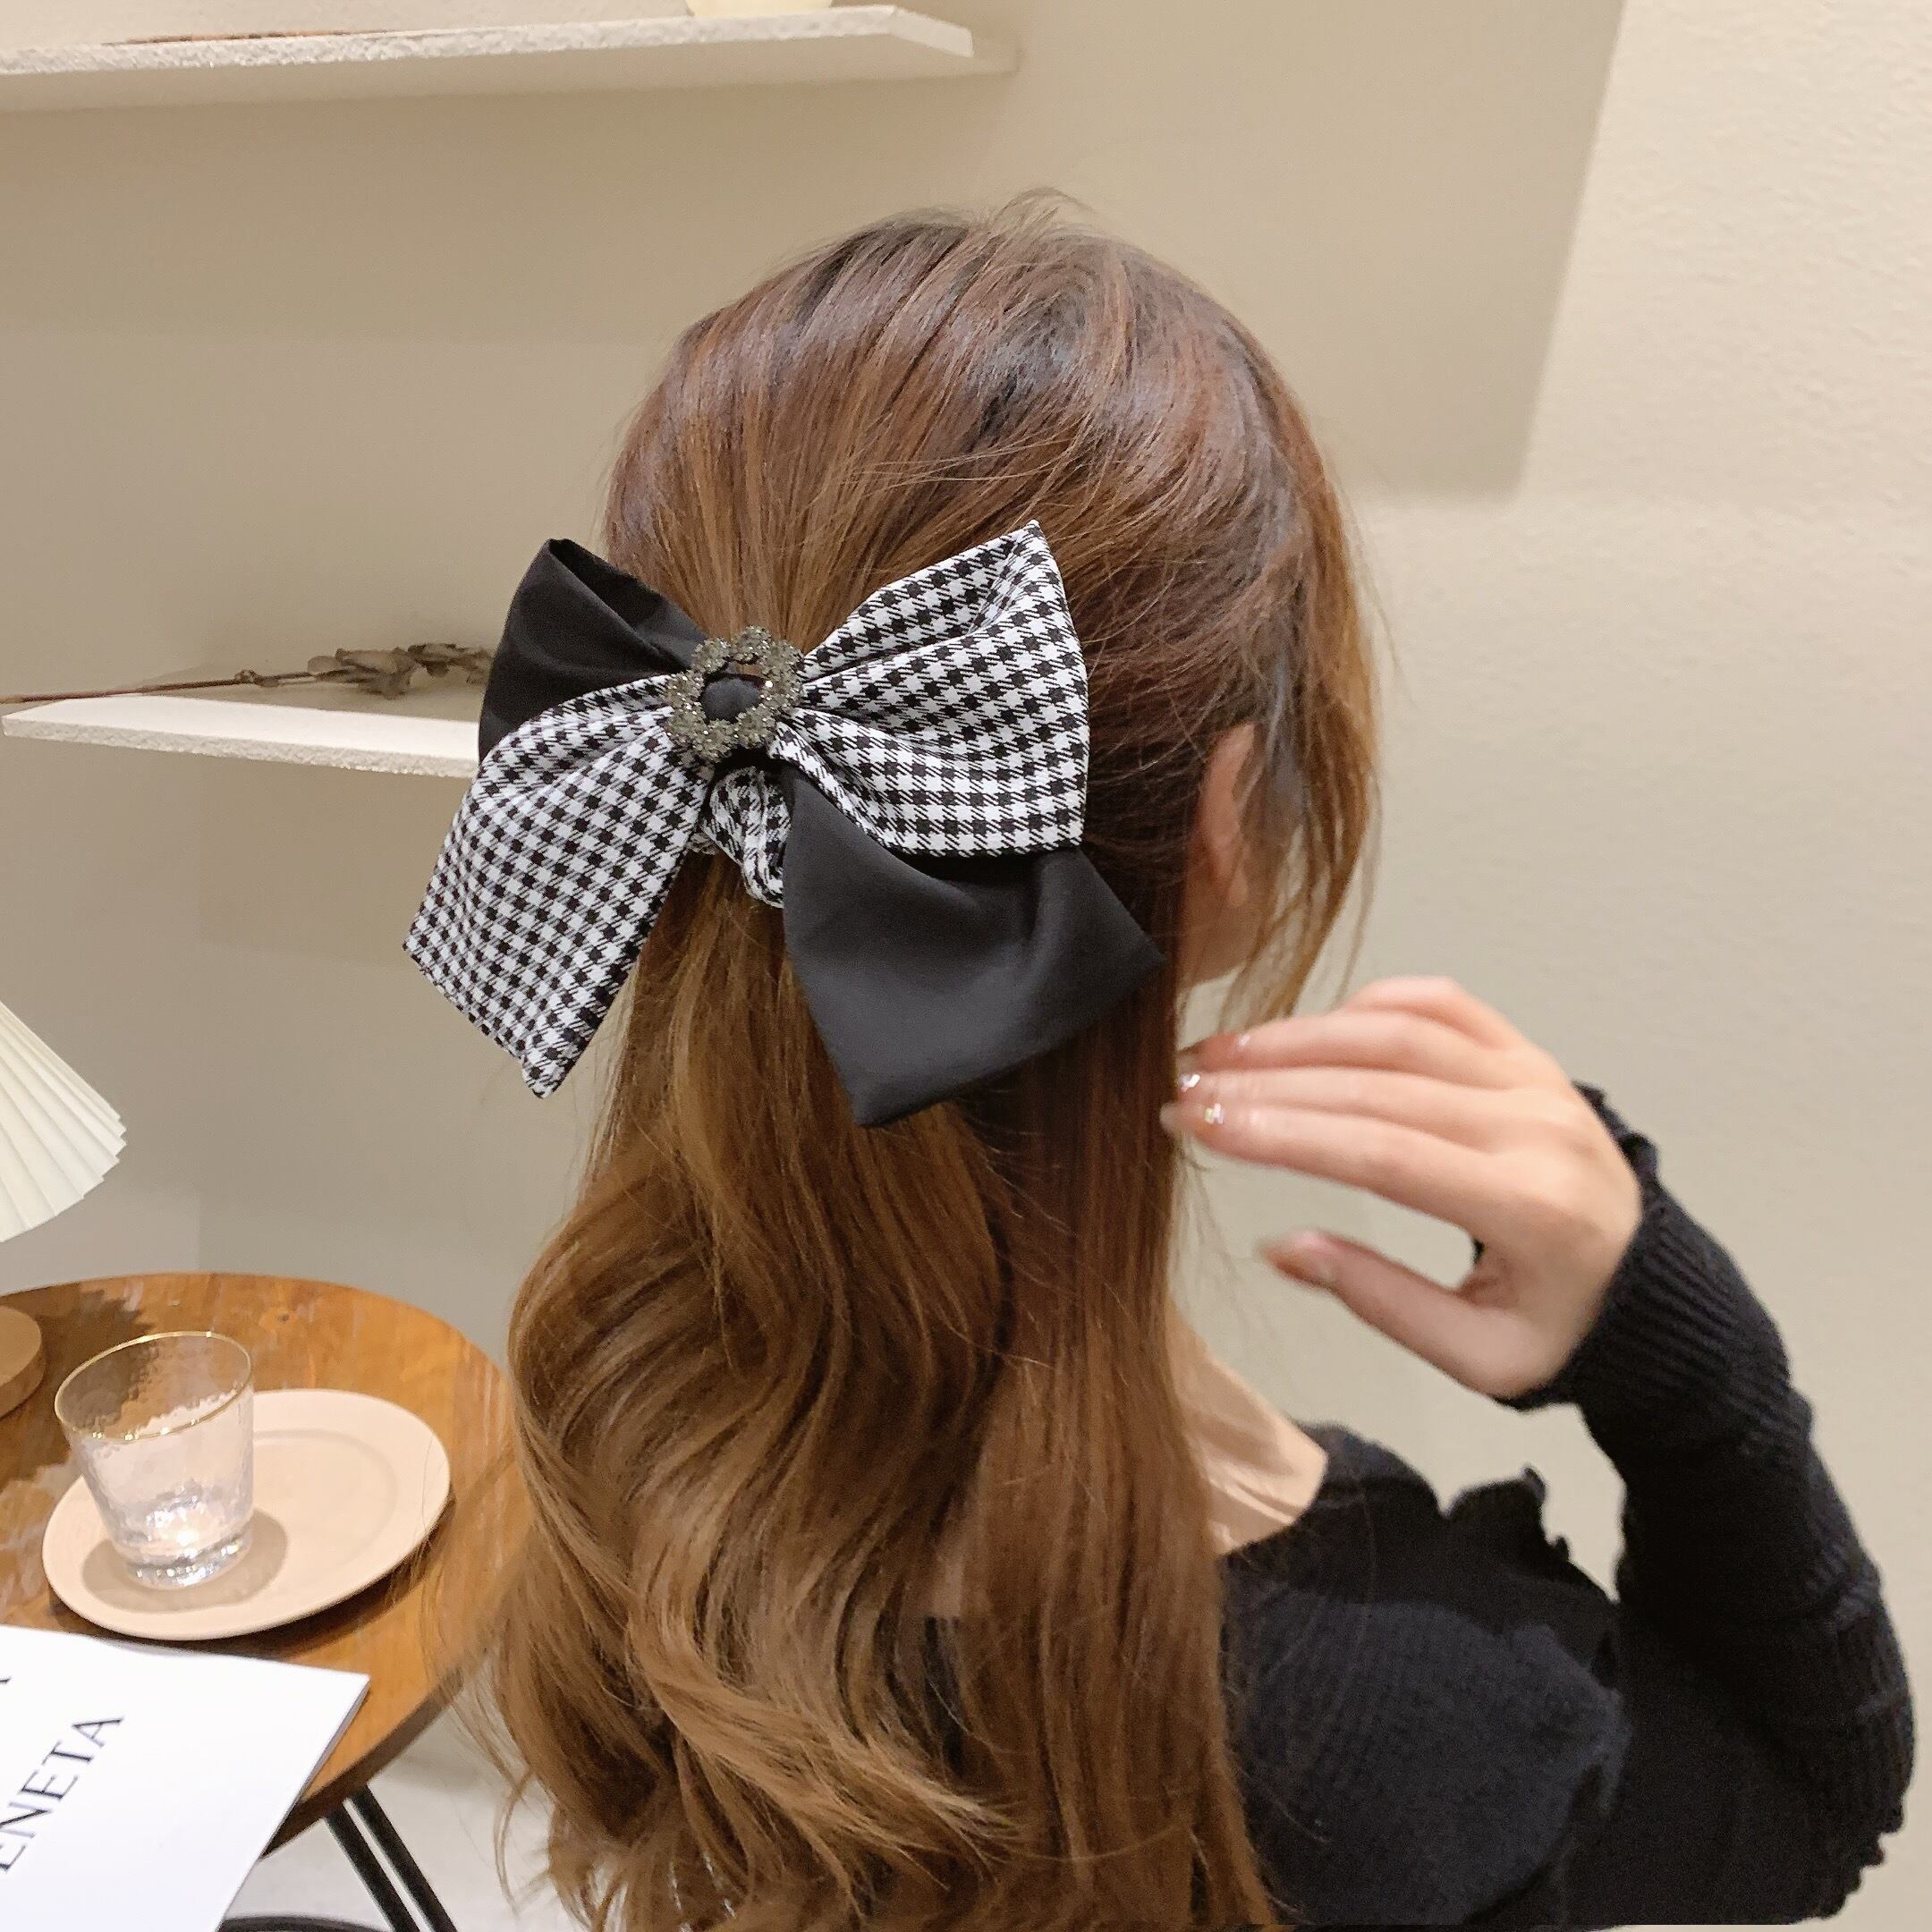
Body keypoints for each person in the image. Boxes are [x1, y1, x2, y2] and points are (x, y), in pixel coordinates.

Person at [408, 196, 1913, 1929]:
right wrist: (1681, 1351)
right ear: (1229, 816)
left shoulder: (625, 1439)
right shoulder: (1409, 1709)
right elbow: (1816, 1808)